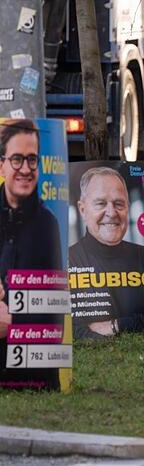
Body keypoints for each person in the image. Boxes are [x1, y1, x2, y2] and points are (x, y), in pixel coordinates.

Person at [69, 166, 144, 338]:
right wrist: (143, 322)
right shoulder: (68, 260)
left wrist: (116, 325)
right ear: (83, 210)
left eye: (119, 204)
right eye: (101, 203)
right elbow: (74, 332)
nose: (111, 213)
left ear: (127, 208)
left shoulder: (143, 256)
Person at [0, 119, 62, 388]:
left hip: (35, 376)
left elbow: (53, 314)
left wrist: (11, 321)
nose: (25, 169)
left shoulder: (48, 225)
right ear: (1, 164)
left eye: (32, 159)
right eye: (17, 159)